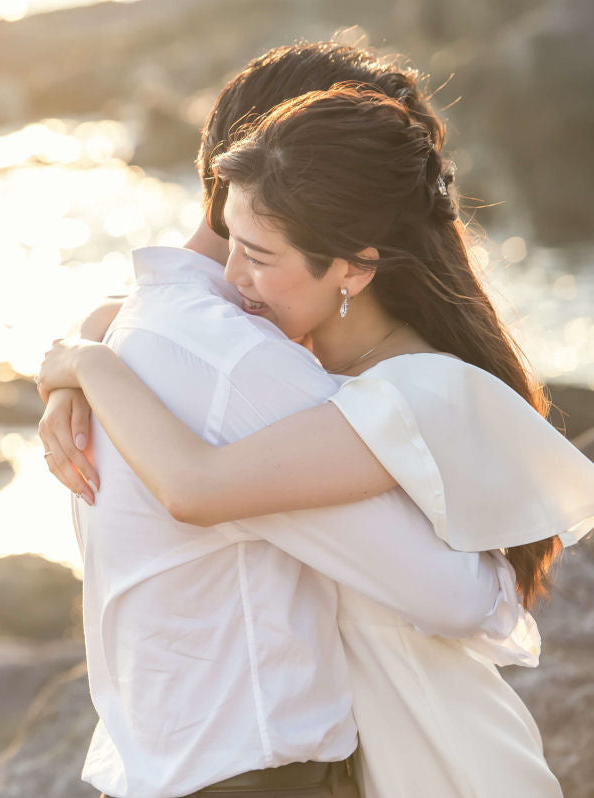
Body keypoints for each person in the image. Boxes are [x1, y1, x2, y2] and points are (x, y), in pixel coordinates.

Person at [38, 85, 594, 796]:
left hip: (430, 742)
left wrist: (88, 366)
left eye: (259, 257)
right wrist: (76, 349)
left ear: (355, 269)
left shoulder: (402, 394)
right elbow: (140, 313)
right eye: (231, 243)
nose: (232, 283)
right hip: (363, 742)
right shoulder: (312, 365)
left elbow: (195, 488)